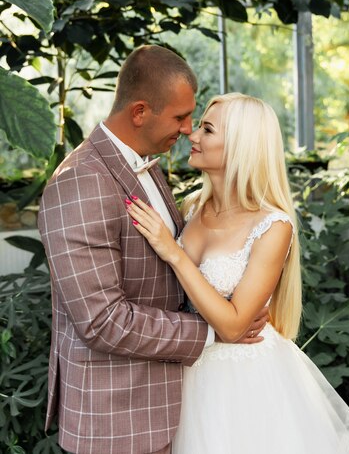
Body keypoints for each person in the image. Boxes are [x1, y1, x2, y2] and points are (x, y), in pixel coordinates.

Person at [38, 46, 267, 454]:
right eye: (180, 117)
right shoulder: (80, 183)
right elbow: (103, 321)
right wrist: (216, 330)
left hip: (173, 405)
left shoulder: (145, 165)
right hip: (118, 421)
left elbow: (168, 278)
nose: (188, 129)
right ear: (140, 112)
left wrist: (234, 307)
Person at [126, 92, 349, 454]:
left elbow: (234, 326)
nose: (192, 134)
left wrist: (174, 253)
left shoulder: (273, 225)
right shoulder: (192, 206)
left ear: (241, 146)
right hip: (185, 369)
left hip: (246, 383)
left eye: (207, 129)